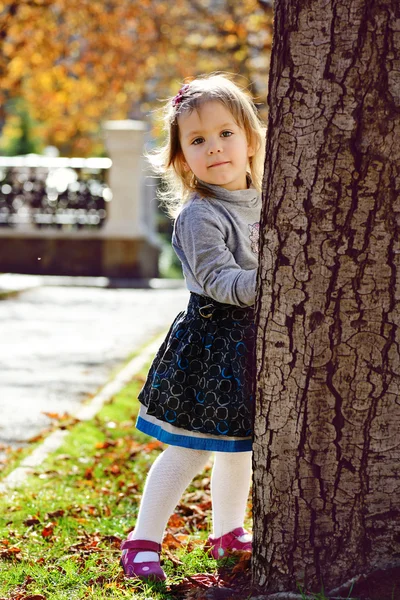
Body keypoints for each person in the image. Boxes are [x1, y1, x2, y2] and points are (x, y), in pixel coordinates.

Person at [120, 73, 265, 582]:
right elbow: (220, 280)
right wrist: (280, 279)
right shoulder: (200, 215)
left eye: (226, 133)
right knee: (192, 447)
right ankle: (142, 540)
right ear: (182, 158)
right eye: (198, 140)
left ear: (249, 138)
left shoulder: (271, 198)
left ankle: (227, 531)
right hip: (212, 344)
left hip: (255, 345)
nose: (216, 148)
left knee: (243, 443)